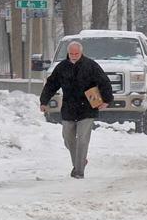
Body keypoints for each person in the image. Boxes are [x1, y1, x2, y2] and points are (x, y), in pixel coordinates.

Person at [40, 41, 114, 179]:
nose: (74, 56)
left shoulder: (91, 65)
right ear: (68, 53)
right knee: (68, 138)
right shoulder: (62, 67)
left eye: (76, 53)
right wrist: (44, 101)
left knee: (82, 139)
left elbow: (104, 82)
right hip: (69, 108)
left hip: (87, 108)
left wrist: (107, 100)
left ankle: (78, 171)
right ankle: (80, 161)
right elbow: (51, 84)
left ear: (81, 52)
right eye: (71, 53)